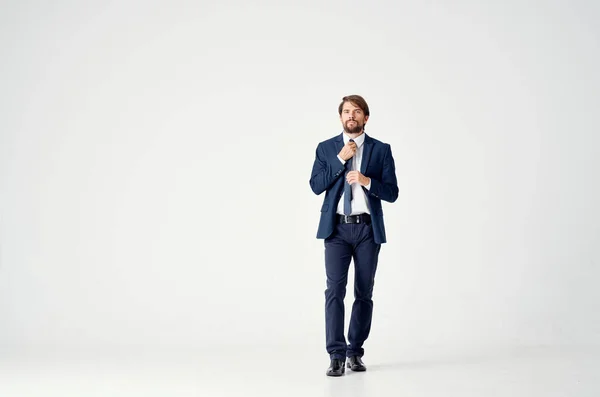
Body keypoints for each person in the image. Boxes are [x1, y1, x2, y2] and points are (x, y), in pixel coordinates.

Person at [309, 95, 399, 376]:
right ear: (340, 117)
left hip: (366, 229)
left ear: (365, 118)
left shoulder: (381, 150)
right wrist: (340, 160)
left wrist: (366, 181)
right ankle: (335, 354)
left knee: (364, 292)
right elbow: (316, 185)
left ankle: (355, 352)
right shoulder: (326, 149)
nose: (351, 116)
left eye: (356, 112)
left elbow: (392, 193)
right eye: (346, 111)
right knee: (334, 290)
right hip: (336, 229)